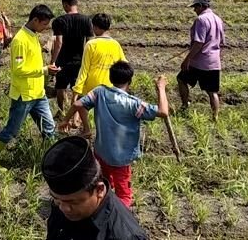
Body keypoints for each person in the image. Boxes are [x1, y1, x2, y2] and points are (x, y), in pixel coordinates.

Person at [59, 61, 169, 208]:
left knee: (103, 183)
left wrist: (66, 120)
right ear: (130, 81)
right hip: (120, 159)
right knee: (124, 194)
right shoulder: (133, 104)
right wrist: (161, 88)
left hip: (101, 152)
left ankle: (101, 206)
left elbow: (78, 104)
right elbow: (163, 111)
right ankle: (118, 217)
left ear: (110, 79)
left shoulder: (100, 92)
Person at [0, 5, 60, 173]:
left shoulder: (34, 36)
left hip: (38, 94)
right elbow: (18, 70)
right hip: (23, 95)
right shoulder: (20, 40)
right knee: (11, 130)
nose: (45, 28)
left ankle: (52, 161)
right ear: (35, 20)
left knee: (49, 129)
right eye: (44, 24)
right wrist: (44, 70)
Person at [42, 136, 148, 239]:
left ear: (99, 190)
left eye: (72, 202)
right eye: (57, 200)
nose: (63, 208)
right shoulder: (63, 202)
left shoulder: (125, 235)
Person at [69, 13, 126, 129]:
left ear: (94, 27)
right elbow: (124, 64)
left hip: (92, 86)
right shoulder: (116, 44)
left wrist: (77, 89)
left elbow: (84, 69)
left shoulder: (91, 44)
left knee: (81, 104)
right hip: (110, 85)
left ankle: (86, 128)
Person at [177, 0, 225, 120]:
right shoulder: (218, 19)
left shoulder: (201, 20)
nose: (194, 10)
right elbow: (221, 42)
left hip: (199, 61)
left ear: (201, 6)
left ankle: (185, 105)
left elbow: (199, 42)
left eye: (195, 7)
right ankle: (215, 116)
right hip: (214, 61)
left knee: (181, 79)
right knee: (212, 91)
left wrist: (187, 59)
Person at [50, 0, 93, 119]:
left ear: (65, 4)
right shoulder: (86, 20)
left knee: (60, 87)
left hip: (63, 60)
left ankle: (61, 111)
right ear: (76, 3)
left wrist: (53, 61)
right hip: (80, 60)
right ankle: (76, 116)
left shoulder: (59, 21)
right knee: (77, 88)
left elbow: (59, 43)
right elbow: (90, 42)